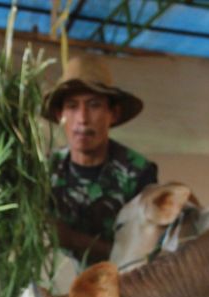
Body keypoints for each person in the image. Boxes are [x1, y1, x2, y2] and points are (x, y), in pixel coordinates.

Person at [41, 54, 158, 265]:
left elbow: (145, 254)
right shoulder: (45, 169)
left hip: (124, 286)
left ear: (113, 113)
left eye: (94, 105)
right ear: (60, 115)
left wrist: (73, 240)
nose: (82, 118)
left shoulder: (138, 173)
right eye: (72, 106)